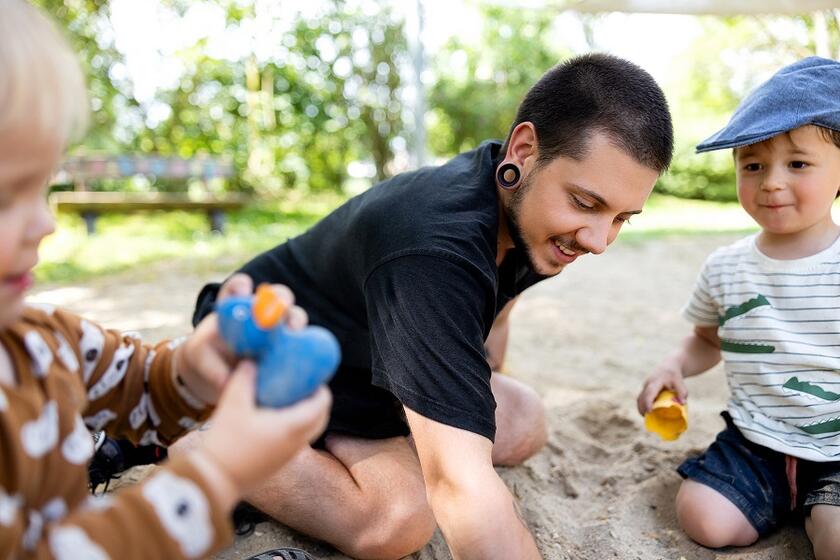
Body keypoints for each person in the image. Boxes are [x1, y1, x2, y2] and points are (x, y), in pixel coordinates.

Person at [181, 52, 674, 559]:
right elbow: (461, 491)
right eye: (587, 204)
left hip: (367, 361)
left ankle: (311, 454)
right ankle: (205, 439)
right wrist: (454, 468)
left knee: (522, 418)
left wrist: (458, 412)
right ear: (524, 150)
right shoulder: (433, 251)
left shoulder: (526, 211)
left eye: (622, 218)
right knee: (398, 519)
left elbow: (496, 311)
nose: (598, 240)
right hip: (275, 351)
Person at [0, 1, 330, 559]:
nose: (47, 222)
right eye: (9, 193)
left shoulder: (39, 341)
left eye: (45, 187)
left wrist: (196, 369)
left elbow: (137, 382)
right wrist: (216, 475)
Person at [636, 57, 840, 560]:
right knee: (703, 517)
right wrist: (673, 366)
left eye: (797, 163)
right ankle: (782, 504)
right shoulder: (726, 267)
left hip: (836, 450)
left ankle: (820, 511)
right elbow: (708, 339)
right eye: (752, 164)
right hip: (755, 443)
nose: (771, 181)